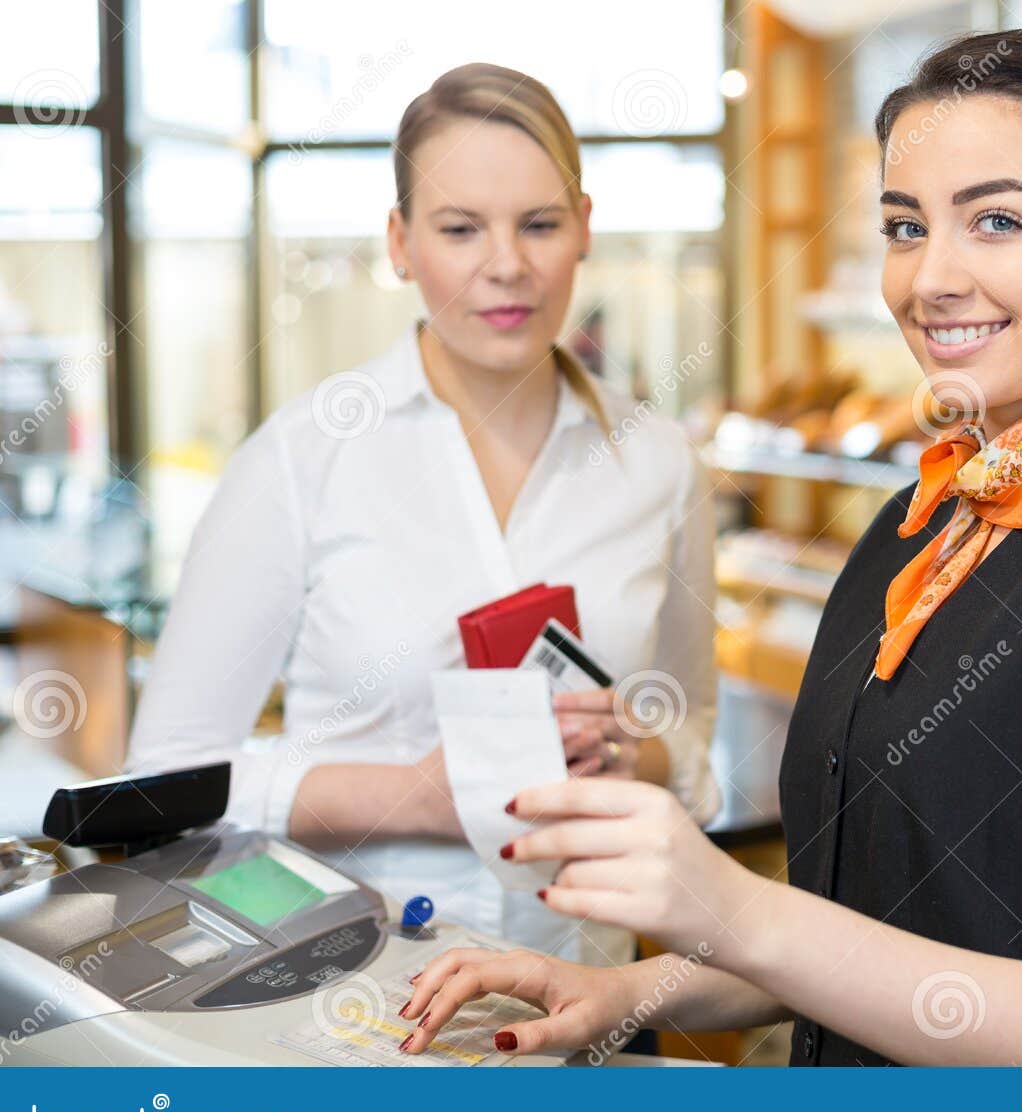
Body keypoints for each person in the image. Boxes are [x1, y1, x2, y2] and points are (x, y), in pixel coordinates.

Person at [399, 29, 1022, 1065]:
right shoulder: (922, 518)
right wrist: (614, 990)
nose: (931, 277)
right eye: (903, 226)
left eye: (998, 221)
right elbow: (857, 924)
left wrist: (735, 907)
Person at [126, 63, 719, 968]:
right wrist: (414, 795)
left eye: (540, 224)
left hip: (585, 994)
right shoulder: (304, 457)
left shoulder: (657, 461)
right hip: (349, 1000)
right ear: (401, 243)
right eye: (459, 228)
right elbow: (164, 774)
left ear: (585, 229)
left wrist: (639, 760)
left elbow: (691, 735)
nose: (507, 265)